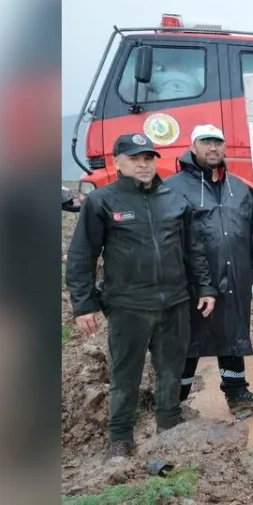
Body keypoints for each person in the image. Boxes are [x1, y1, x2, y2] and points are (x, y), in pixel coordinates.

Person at [66, 133, 216, 458]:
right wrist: (84, 305)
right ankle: (120, 440)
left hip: (174, 303)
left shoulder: (174, 199)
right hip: (127, 307)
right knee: (125, 375)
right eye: (135, 158)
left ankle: (169, 429)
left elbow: (193, 249)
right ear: (117, 162)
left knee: (170, 370)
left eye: (148, 157)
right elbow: (83, 256)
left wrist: (204, 287)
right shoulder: (102, 201)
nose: (143, 164)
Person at [163, 124, 253, 417]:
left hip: (235, 273)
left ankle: (237, 394)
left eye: (218, 142)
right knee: (190, 339)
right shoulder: (173, 188)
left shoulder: (237, 187)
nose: (213, 147)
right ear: (192, 147)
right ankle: (174, 401)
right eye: (205, 142)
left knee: (233, 331)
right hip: (194, 279)